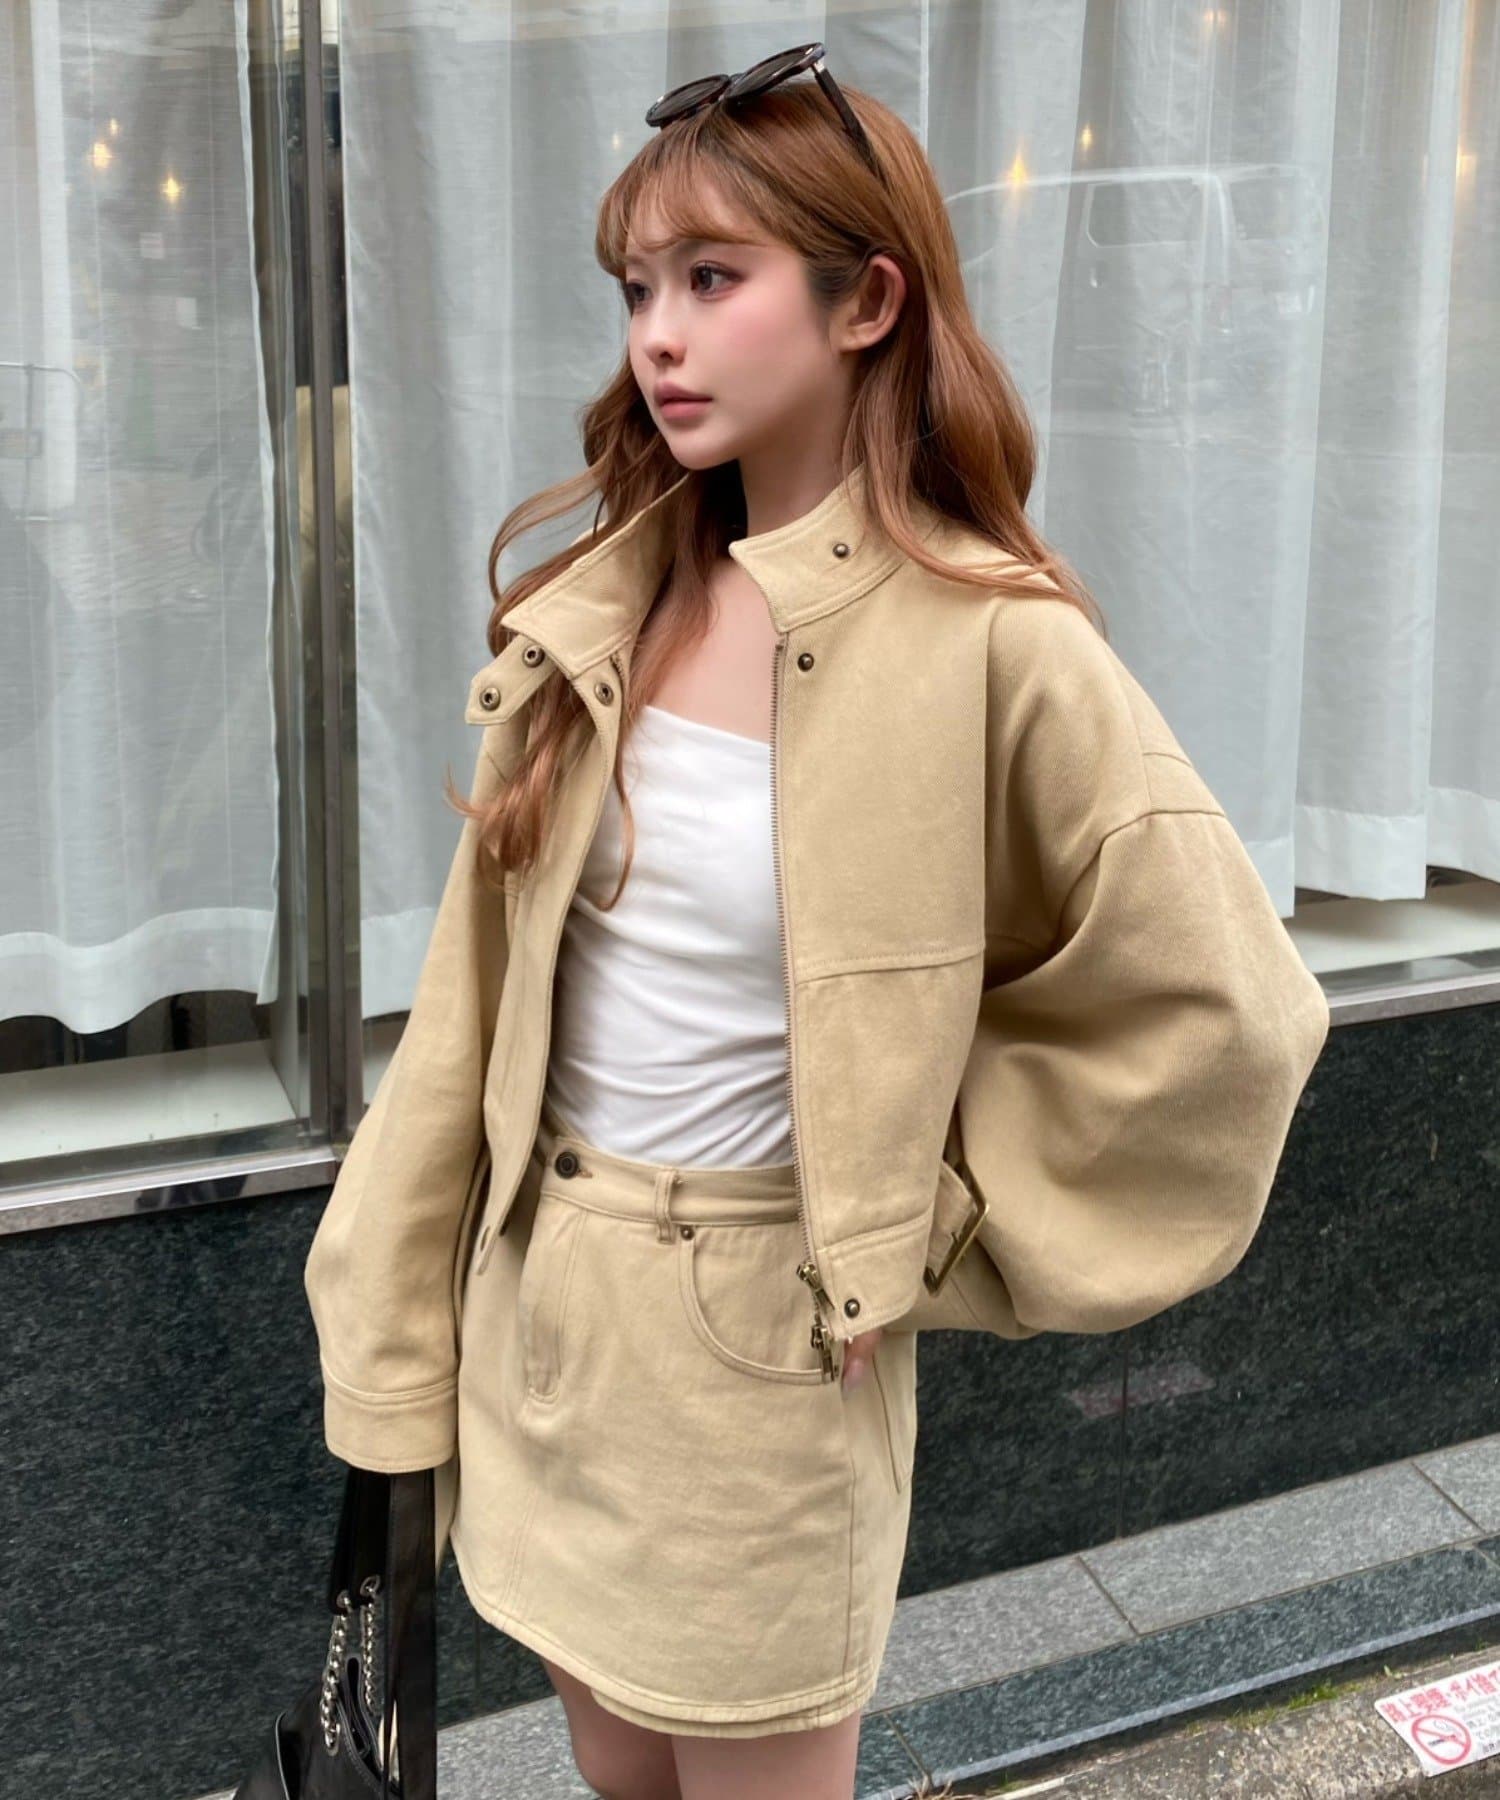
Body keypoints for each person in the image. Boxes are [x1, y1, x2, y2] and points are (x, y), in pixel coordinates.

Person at [303, 44, 1331, 1800]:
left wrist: (921, 1219)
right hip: (546, 1317)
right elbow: (468, 1024)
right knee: (614, 1779)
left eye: (714, 279)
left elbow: (1228, 1014)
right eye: (638, 288)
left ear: (869, 300)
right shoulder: (610, 605)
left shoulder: (994, 642)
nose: (660, 336)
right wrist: (391, 1345)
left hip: (761, 1354)